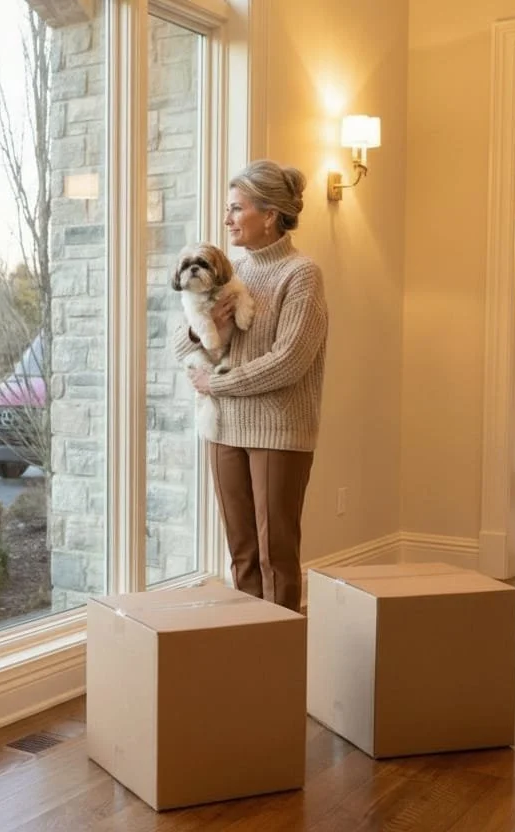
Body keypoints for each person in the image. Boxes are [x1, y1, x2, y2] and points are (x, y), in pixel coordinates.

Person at [172, 159, 328, 611]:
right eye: (228, 209)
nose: (227, 220)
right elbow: (179, 343)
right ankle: (250, 647)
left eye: (237, 209)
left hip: (277, 431)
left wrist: (217, 384)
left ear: (270, 215)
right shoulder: (228, 271)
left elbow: (289, 361)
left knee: (274, 557)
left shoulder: (301, 274)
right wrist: (202, 331)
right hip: (223, 429)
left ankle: (283, 650)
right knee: (241, 555)